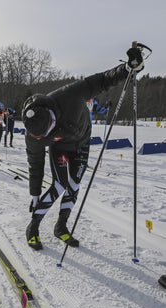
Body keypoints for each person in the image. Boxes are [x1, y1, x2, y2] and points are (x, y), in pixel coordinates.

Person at [23, 46, 144, 250]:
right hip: (60, 147)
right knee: (59, 185)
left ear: (50, 119)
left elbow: (103, 80)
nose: (40, 138)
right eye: (38, 136)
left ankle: (61, 227)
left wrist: (127, 68)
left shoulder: (70, 94)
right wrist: (34, 193)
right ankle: (33, 227)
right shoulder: (33, 135)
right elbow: (35, 164)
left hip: (81, 142)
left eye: (44, 133)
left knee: (75, 184)